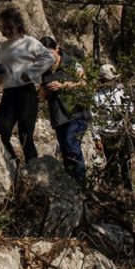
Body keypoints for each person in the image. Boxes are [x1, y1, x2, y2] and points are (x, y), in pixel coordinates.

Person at [0, 6, 55, 162]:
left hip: (26, 93)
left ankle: (32, 167)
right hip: (8, 93)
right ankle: (13, 161)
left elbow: (49, 58)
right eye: (4, 28)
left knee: (25, 134)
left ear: (18, 26)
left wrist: (31, 74)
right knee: (1, 131)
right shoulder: (2, 48)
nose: (7, 31)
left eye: (10, 27)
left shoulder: (30, 42)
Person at [40, 36, 90, 184]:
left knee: (71, 146)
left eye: (50, 53)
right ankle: (72, 185)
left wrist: (64, 85)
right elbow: (41, 96)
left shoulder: (71, 63)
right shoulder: (45, 70)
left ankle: (81, 184)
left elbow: (84, 83)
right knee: (66, 153)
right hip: (59, 117)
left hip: (76, 114)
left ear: (57, 49)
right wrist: (44, 91)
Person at [93, 63, 135, 193]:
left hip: (123, 131)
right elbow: (94, 116)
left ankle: (133, 189)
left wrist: (133, 128)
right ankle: (118, 191)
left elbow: (130, 110)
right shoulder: (97, 96)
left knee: (127, 162)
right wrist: (96, 137)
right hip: (107, 133)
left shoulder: (122, 91)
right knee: (112, 163)